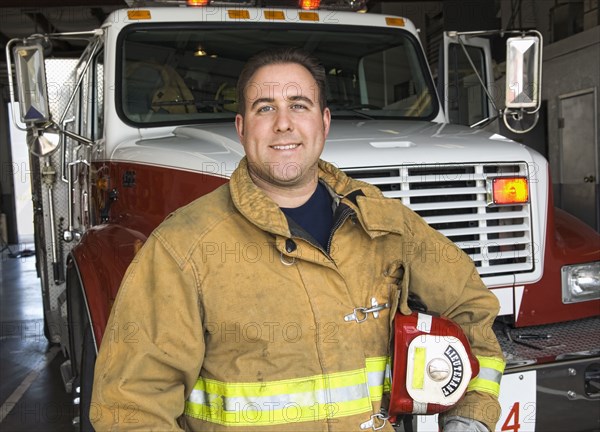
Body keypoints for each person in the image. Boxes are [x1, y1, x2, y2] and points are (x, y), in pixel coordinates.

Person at [90, 47, 505, 432]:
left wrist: (471, 416)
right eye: (264, 108)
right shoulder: (182, 248)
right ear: (241, 127)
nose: (283, 122)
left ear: (324, 122)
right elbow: (130, 408)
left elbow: (470, 306)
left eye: (299, 106)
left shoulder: (386, 224)